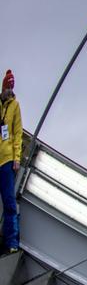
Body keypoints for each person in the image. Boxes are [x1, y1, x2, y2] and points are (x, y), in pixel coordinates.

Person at [0, 70, 22, 254]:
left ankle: (12, 242)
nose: (9, 89)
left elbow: (17, 133)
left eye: (11, 87)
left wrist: (16, 158)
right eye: (8, 86)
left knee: (9, 202)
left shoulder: (15, 106)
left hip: (6, 160)